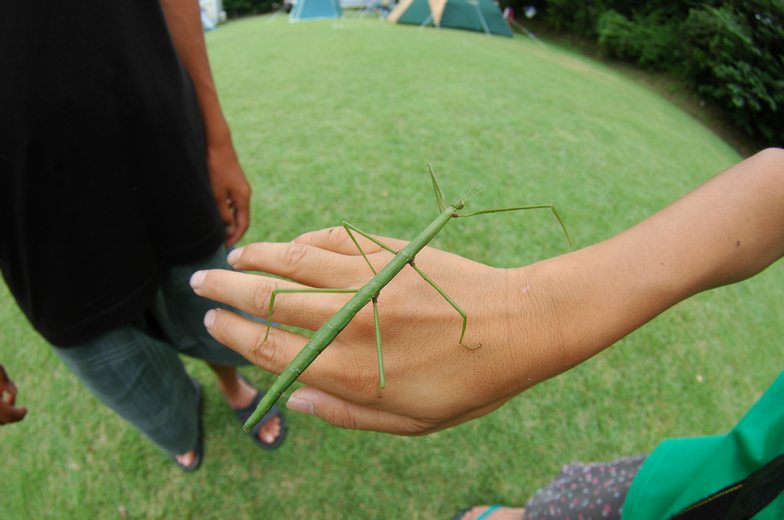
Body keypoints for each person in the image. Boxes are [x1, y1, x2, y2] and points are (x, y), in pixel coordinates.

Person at [191, 148, 783, 515]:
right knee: (368, 348)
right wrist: (478, 322)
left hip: (719, 489)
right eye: (450, 212)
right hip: (719, 478)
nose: (451, 212)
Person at [0, 1, 285, 470]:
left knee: (206, 297)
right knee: (110, 354)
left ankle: (232, 384)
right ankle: (175, 422)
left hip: (153, 133)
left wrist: (218, 139)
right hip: (23, 206)